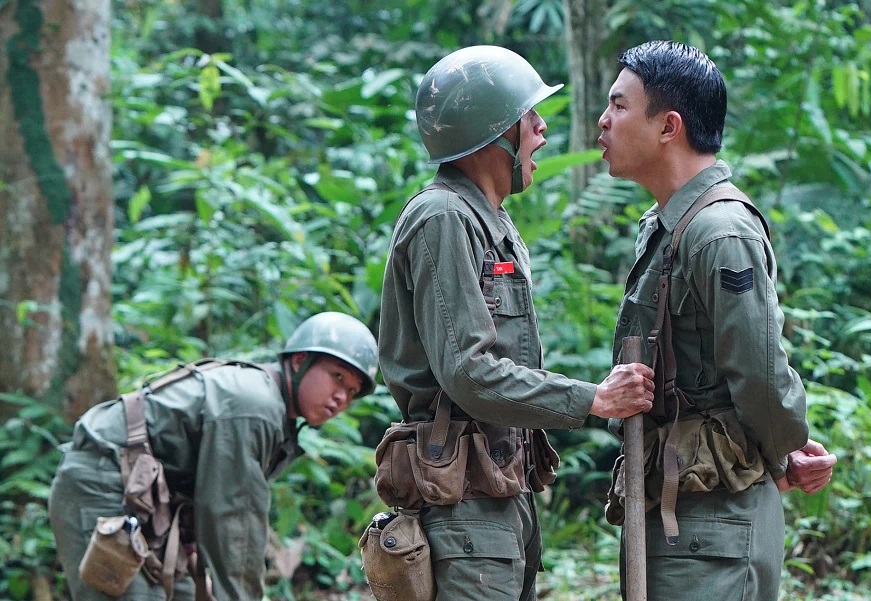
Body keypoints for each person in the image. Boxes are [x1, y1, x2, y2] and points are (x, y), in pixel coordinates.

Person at [374, 45, 654, 601]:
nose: (543, 130)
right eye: (531, 118)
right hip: (464, 509)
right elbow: (469, 372)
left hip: (498, 494)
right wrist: (591, 399)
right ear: (494, 131)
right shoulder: (445, 217)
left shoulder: (490, 221)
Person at [596, 41, 836, 600]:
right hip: (680, 513)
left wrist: (786, 447)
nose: (603, 121)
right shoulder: (666, 227)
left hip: (713, 524)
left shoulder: (720, 231)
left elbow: (759, 375)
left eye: (620, 106)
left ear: (668, 126)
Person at [49, 311, 380, 601]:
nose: (341, 397)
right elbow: (233, 520)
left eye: (351, 391)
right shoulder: (256, 405)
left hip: (149, 498)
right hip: (104, 479)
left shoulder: (271, 409)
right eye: (337, 377)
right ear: (299, 361)